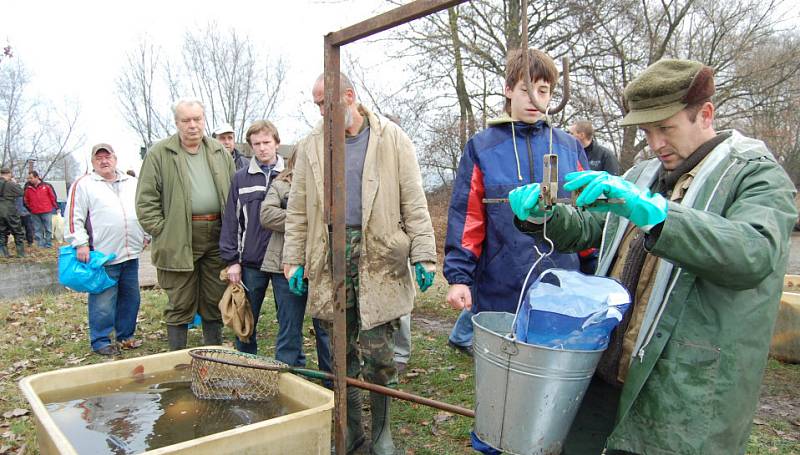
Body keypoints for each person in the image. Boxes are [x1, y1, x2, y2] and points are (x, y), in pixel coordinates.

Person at [509, 58, 797, 454]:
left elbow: (753, 253)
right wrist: (545, 217)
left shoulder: (755, 175)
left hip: (683, 393)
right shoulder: (642, 174)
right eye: (647, 131)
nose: (656, 143)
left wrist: (660, 216)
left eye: (666, 128)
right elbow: (595, 228)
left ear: (706, 114)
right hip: (606, 374)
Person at [283, 73, 437, 454]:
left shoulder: (391, 139)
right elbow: (298, 210)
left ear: (349, 96)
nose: (320, 111)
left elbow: (414, 202)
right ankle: (352, 432)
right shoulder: (312, 146)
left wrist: (425, 254)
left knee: (380, 355)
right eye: (316, 104)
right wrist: (293, 261)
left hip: (379, 255)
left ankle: (382, 432)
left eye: (325, 102)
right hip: (331, 256)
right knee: (340, 354)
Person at [444, 48, 589, 356]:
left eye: (543, 90)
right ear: (509, 90)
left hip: (562, 287)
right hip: (501, 288)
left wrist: (594, 268)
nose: (535, 99)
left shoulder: (568, 147)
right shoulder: (482, 148)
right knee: (504, 383)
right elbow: (469, 218)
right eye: (526, 90)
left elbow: (587, 216)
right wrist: (459, 278)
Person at [136, 98, 235, 351]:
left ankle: (213, 357)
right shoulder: (160, 153)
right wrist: (164, 230)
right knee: (180, 300)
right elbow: (145, 201)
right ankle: (177, 359)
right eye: (186, 120)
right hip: (179, 236)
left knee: (214, 299)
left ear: (204, 119)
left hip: (216, 234)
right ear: (177, 123)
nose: (192, 125)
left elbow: (234, 194)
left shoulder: (218, 152)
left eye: (197, 119)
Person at [65, 143, 149, 356]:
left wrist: (146, 234)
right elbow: (74, 216)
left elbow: (143, 208)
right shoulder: (84, 184)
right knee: (104, 300)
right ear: (93, 162)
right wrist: (80, 243)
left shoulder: (132, 182)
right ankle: (101, 340)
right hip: (103, 255)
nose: (104, 161)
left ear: (115, 158)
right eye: (99, 158)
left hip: (130, 252)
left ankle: (126, 336)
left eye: (107, 156)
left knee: (131, 297)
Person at [259, 148, 331, 372]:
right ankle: (289, 377)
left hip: (322, 266)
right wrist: (303, 217)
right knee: (289, 326)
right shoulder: (281, 184)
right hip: (286, 266)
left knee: (327, 328)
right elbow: (266, 214)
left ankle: (332, 381)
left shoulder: (329, 184)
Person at [219, 120, 284, 354]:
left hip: (284, 261)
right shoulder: (241, 178)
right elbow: (231, 222)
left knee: (288, 319)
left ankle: (289, 366)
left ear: (277, 143)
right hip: (252, 260)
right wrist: (232, 261)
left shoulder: (290, 175)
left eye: (267, 142)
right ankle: (246, 364)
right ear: (250, 147)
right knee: (245, 317)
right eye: (256, 144)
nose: (262, 148)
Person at [568, 120, 621, 274]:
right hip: (575, 222)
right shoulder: (571, 154)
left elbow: (614, 186)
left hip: (596, 222)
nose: (568, 136)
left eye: (571, 133)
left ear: (581, 135)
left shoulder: (605, 155)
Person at [23, 170, 58, 248]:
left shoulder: (47, 186)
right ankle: (40, 245)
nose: (30, 180)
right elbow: (25, 199)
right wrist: (30, 208)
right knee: (37, 229)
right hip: (34, 212)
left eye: (31, 178)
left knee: (48, 228)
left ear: (37, 177)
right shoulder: (27, 188)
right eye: (28, 178)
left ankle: (48, 244)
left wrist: (56, 207)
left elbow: (53, 197)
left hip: (46, 210)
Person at [0, 168, 26, 257]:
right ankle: (21, 254)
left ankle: (4, 254)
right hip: (9, 208)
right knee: (17, 230)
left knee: (2, 232)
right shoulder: (10, 184)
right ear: (8, 174)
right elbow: (21, 192)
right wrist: (16, 183)